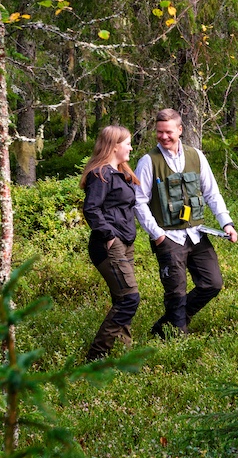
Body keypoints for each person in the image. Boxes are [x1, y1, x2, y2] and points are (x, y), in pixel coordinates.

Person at [134, 108, 238, 338]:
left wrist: (226, 223)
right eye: (159, 132)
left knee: (213, 283)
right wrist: (158, 235)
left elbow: (212, 194)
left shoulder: (196, 156)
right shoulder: (148, 162)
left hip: (196, 234)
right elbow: (139, 203)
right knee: (176, 292)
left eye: (168, 132)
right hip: (168, 237)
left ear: (180, 130)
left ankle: (166, 324)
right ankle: (177, 338)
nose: (163, 137)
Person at [80, 125, 141, 361]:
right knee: (129, 298)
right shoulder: (101, 174)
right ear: (114, 146)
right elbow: (91, 209)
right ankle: (95, 357)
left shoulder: (120, 173)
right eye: (127, 143)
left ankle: (122, 353)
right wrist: (109, 235)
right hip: (109, 245)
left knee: (122, 298)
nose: (130, 147)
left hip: (126, 243)